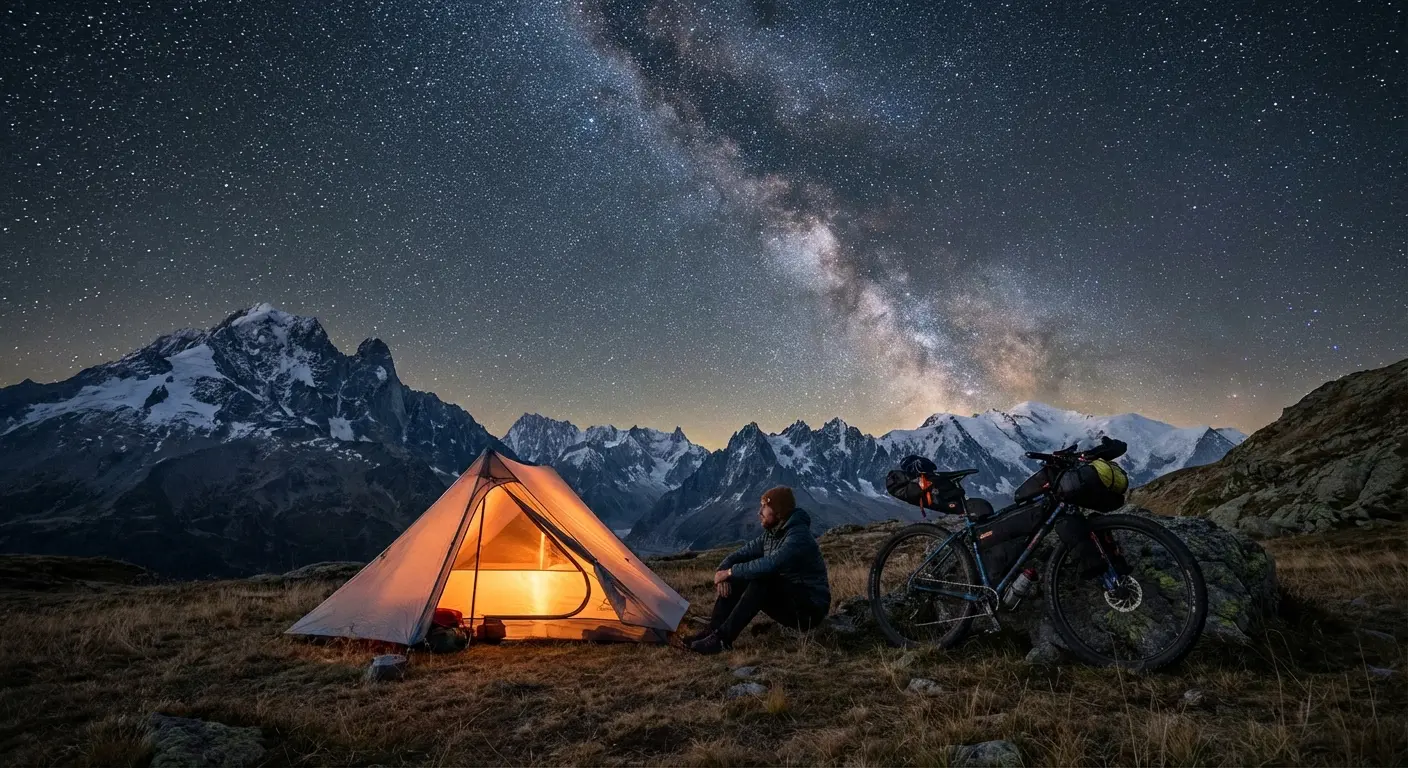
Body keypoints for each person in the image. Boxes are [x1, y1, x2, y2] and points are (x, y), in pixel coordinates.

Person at [682, 486, 831, 654]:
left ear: (779, 511)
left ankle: (722, 640)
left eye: (764, 507)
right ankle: (712, 632)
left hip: (809, 609)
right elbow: (740, 554)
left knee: (762, 579)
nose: (759, 512)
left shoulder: (798, 535)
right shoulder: (771, 535)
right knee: (740, 575)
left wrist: (730, 572)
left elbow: (770, 564)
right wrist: (722, 572)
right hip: (790, 599)